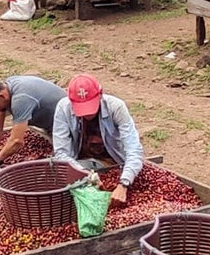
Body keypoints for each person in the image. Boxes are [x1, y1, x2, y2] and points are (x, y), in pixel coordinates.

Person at [52, 74, 144, 207]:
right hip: (81, 164)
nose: (87, 114)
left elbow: (134, 149)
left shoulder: (116, 107)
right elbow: (61, 153)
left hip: (113, 163)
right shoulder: (63, 107)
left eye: (90, 107)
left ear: (100, 94)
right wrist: (88, 176)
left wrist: (124, 183)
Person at [0, 76, 67, 164]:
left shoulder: (20, 99)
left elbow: (16, 141)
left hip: (68, 123)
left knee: (62, 159)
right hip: (52, 122)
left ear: (2, 96)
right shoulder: (7, 87)